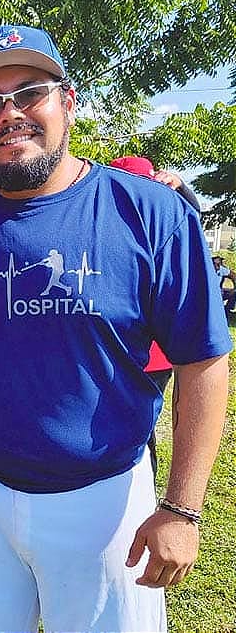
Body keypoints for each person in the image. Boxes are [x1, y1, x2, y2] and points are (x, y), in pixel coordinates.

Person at [0, 24, 231, 632]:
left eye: (29, 92)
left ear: (67, 102)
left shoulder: (149, 213)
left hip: (105, 495)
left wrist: (182, 509)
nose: (10, 114)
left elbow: (205, 360)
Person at [108, 155, 199, 475]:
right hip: (125, 351)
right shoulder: (109, 233)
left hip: (155, 357)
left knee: (139, 425)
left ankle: (143, 478)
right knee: (130, 422)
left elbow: (191, 220)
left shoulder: (163, 230)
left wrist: (184, 190)